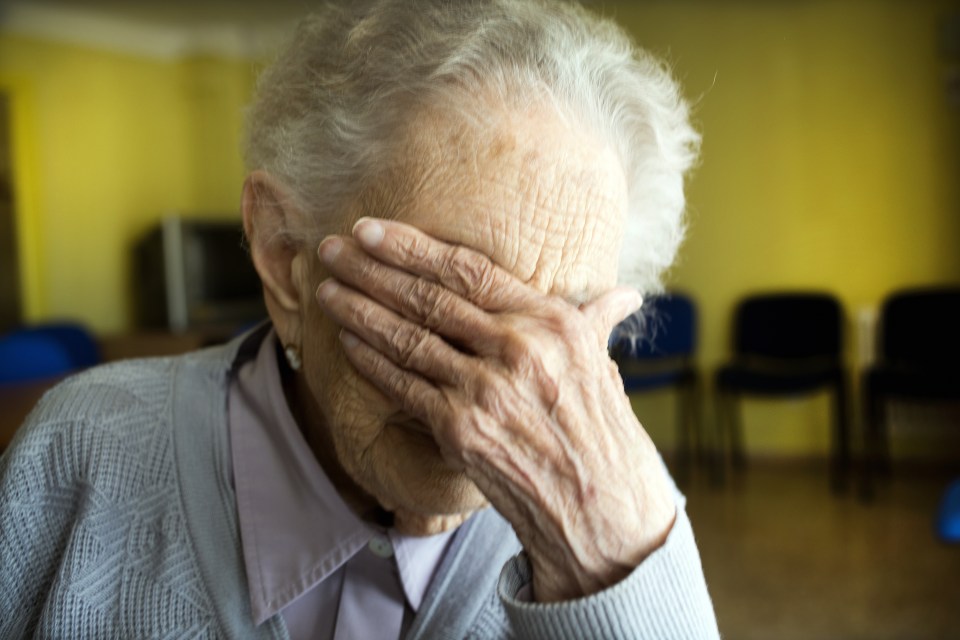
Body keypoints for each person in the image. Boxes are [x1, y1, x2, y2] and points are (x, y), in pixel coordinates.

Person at [0, 0, 719, 637]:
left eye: (561, 318)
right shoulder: (79, 455)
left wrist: (610, 576)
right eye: (446, 291)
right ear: (287, 254)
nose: (505, 391)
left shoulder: (623, 506)